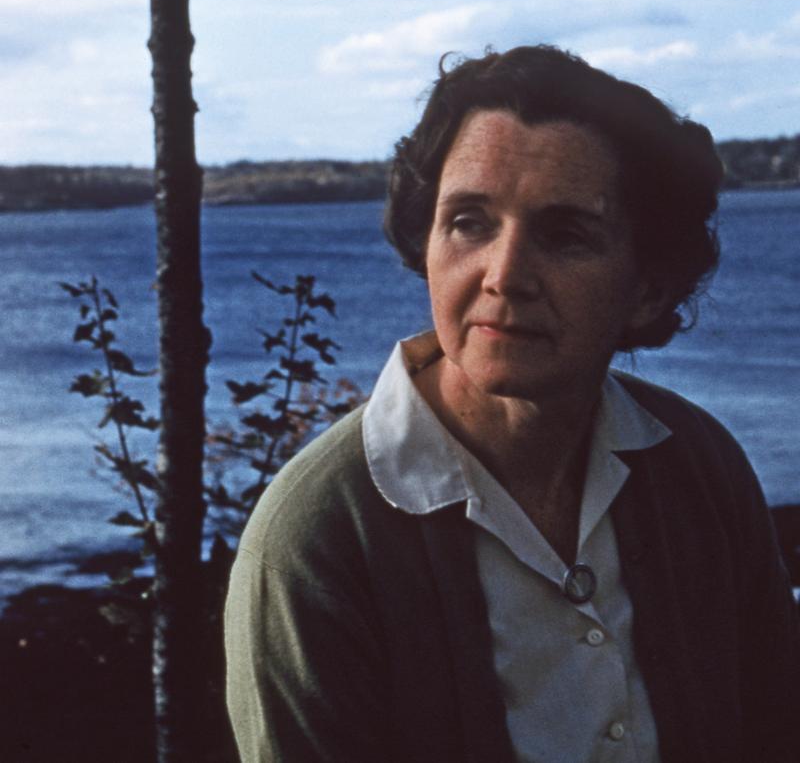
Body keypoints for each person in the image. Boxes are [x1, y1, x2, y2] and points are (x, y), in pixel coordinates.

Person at [225, 45, 799, 763]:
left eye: (565, 235)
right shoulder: (317, 537)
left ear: (649, 285)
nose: (505, 275)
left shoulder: (700, 466)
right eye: (469, 222)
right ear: (424, 239)